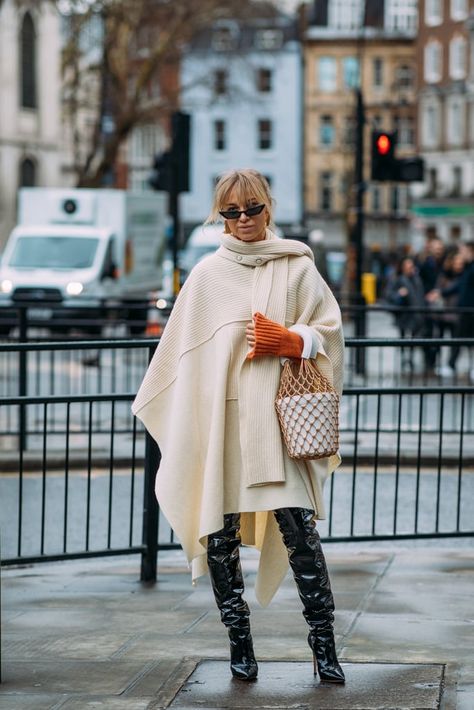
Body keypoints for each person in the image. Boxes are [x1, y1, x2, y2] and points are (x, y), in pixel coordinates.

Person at [132, 169, 345, 684]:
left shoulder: (296, 267)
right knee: (220, 535)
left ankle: (324, 645)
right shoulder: (206, 275)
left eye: (251, 208)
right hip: (222, 422)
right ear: (219, 215)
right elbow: (180, 357)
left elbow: (330, 332)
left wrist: (292, 340)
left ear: (267, 207)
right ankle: (239, 645)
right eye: (232, 211)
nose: (243, 219)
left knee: (300, 531)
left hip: (276, 422)